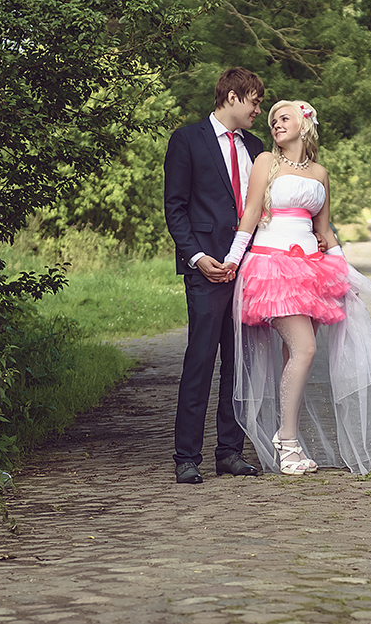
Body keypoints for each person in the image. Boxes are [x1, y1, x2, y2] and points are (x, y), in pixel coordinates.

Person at [220, 100, 371, 475]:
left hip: (313, 270)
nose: (275, 124)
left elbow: (324, 230)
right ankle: (285, 441)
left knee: (296, 356)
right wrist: (233, 260)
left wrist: (346, 273)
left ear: (304, 125)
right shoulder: (265, 162)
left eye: (283, 118)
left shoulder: (320, 173)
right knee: (305, 349)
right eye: (272, 120)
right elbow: (250, 213)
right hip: (271, 267)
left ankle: (290, 441)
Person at [163, 67, 265, 483]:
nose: (258, 110)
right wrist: (197, 257)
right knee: (200, 359)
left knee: (240, 363)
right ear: (233, 97)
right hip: (206, 269)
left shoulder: (256, 147)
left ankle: (230, 452)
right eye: (254, 101)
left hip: (249, 268)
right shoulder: (187, 140)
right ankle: (186, 456)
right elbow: (175, 207)